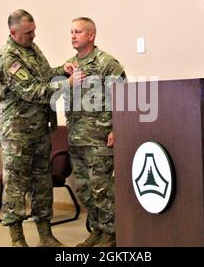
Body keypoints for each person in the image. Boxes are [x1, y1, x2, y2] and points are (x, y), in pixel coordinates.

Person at [0, 9, 84, 247]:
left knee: (41, 182)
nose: (33, 35)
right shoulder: (8, 58)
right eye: (28, 32)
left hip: (39, 129)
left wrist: (61, 70)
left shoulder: (32, 49)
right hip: (18, 133)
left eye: (34, 30)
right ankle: (17, 239)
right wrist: (67, 83)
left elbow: (43, 77)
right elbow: (32, 91)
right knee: (16, 184)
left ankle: (45, 234)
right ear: (13, 32)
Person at [63, 17, 126, 247]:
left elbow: (123, 98)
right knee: (84, 189)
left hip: (99, 138)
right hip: (76, 138)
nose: (72, 35)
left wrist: (116, 127)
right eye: (71, 31)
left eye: (78, 31)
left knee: (102, 189)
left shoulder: (106, 63)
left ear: (91, 35)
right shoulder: (70, 65)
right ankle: (98, 231)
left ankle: (112, 234)